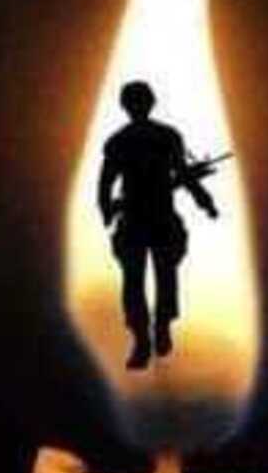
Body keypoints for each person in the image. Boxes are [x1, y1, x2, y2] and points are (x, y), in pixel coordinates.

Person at [97, 80, 227, 369]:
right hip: (157, 217)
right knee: (161, 276)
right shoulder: (166, 136)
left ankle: (146, 338)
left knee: (136, 280)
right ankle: (156, 332)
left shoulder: (119, 140)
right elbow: (185, 176)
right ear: (150, 102)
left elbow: (105, 185)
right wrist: (205, 203)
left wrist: (106, 210)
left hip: (137, 220)